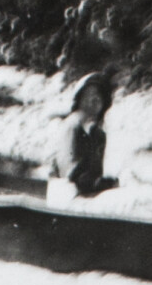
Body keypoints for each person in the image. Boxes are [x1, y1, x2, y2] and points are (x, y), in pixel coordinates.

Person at [48, 72, 115, 203]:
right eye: (89, 95)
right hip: (68, 195)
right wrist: (88, 182)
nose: (94, 99)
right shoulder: (72, 126)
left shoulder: (98, 133)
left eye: (98, 95)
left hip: (89, 195)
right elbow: (66, 169)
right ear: (80, 99)